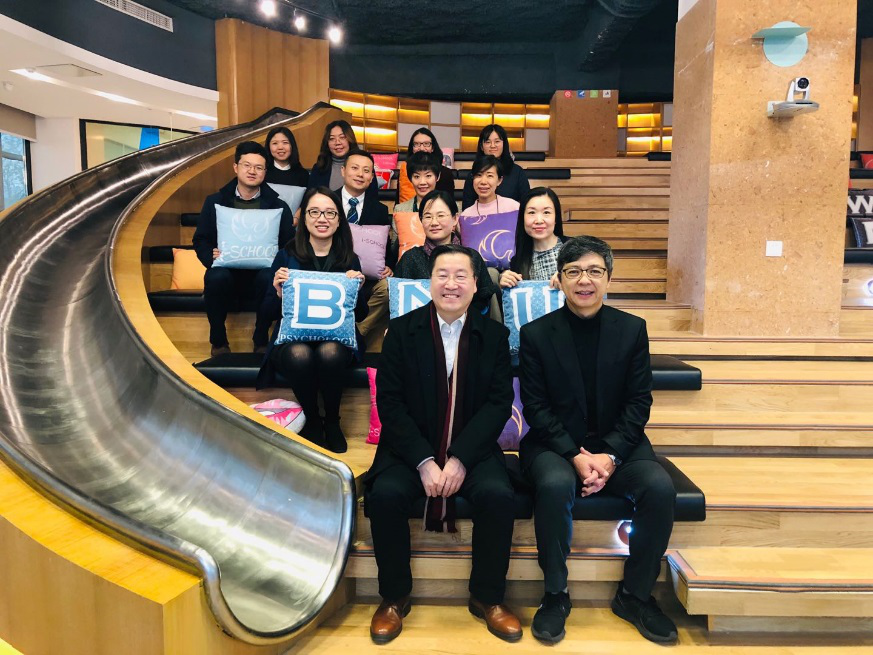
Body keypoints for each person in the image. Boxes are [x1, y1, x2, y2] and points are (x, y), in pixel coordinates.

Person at [518, 236, 678, 645]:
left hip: (618, 444)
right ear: (559, 279)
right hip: (555, 445)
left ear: (609, 278)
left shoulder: (632, 329)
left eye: (594, 271)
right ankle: (555, 594)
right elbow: (536, 407)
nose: (583, 280)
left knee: (659, 487)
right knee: (555, 485)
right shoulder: (535, 334)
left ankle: (635, 595)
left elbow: (639, 402)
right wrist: (574, 455)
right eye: (573, 271)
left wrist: (610, 455)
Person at [365, 244, 520, 644]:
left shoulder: (495, 335)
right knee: (384, 495)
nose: (451, 284)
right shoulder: (401, 331)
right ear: (429, 281)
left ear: (475, 284)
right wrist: (423, 460)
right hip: (410, 449)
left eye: (461, 276)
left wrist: (460, 459)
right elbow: (390, 402)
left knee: (498, 496)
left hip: (472, 449)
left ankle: (488, 598)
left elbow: (498, 403)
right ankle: (394, 597)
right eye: (442, 275)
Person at [256, 187, 364, 454]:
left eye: (330, 213)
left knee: (330, 352)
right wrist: (277, 292)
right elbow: (267, 313)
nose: (322, 218)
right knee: (299, 354)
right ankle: (313, 419)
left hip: (337, 339)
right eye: (314, 212)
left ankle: (333, 421)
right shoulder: (286, 255)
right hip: (291, 339)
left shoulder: (349, 259)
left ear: (339, 220)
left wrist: (358, 289)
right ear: (304, 218)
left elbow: (360, 315)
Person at [356, 190, 497, 352]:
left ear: (455, 219)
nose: (434, 222)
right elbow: (399, 304)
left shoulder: (471, 257)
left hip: (463, 334)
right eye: (428, 216)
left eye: (441, 215)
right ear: (421, 220)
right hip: (418, 338)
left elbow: (483, 299)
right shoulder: (411, 258)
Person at [193, 141, 295, 357]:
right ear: (235, 167)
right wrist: (210, 255)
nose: (252, 171)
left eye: (259, 167)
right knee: (215, 276)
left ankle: (261, 337)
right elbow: (201, 239)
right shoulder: (215, 202)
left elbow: (289, 244)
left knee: (270, 276)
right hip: (227, 273)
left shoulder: (279, 206)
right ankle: (218, 341)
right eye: (247, 165)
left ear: (265, 172)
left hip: (261, 275)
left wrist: (277, 261)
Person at [499, 187, 565, 289]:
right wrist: (504, 282)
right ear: (522, 218)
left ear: (556, 217)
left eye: (546, 212)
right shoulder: (517, 261)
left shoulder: (575, 248)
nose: (539, 220)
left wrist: (570, 277)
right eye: (532, 213)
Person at [461, 124, 530, 209]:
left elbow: (526, 204)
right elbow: (467, 207)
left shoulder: (517, 172)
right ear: (481, 146)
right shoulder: (473, 174)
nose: (493, 146)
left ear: (504, 144)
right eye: (488, 142)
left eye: (497, 141)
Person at [308, 120, 378, 192]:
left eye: (342, 137)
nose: (337, 142)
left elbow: (372, 196)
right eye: (332, 139)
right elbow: (310, 196)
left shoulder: (365, 166)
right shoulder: (319, 168)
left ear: (350, 139)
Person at [399, 128, 455, 200]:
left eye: (426, 144)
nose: (422, 148)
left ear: (433, 148)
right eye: (417, 144)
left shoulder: (446, 173)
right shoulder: (405, 169)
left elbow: (449, 202)